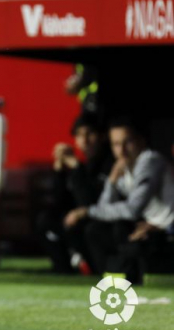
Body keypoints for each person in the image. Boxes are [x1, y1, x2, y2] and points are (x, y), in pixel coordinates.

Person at [64, 118, 174, 276]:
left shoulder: (150, 161)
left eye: (127, 142)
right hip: (152, 227)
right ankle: (105, 278)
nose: (121, 150)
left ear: (141, 142)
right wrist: (112, 182)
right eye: (115, 144)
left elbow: (132, 210)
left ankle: (127, 278)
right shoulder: (126, 168)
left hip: (168, 230)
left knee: (120, 231)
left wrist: (87, 211)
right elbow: (104, 209)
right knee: (95, 230)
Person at [36, 114, 113, 273]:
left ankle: (94, 268)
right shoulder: (82, 166)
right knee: (46, 220)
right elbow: (58, 201)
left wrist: (77, 168)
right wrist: (59, 171)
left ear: (102, 136)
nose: (84, 141)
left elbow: (88, 201)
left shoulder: (109, 165)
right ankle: (63, 270)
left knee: (82, 226)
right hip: (79, 218)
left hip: (102, 220)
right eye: (79, 135)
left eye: (89, 134)